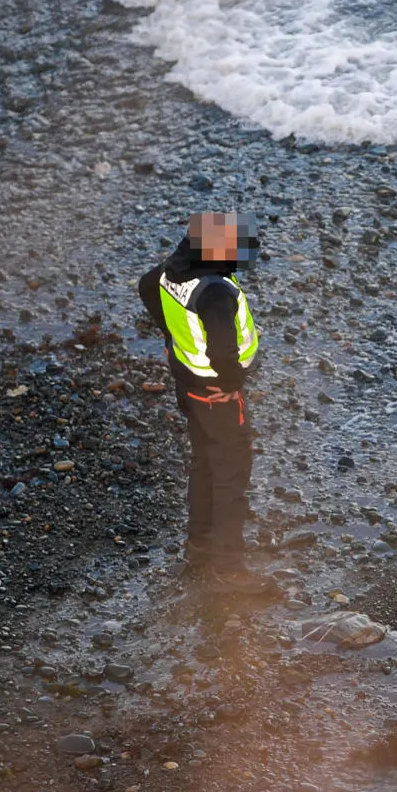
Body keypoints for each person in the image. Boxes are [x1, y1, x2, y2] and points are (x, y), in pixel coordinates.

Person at [138, 212, 276, 596]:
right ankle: (230, 569)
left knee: (203, 462)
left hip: (189, 384)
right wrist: (231, 386)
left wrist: (171, 337)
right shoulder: (215, 292)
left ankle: (198, 548)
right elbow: (223, 352)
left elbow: (146, 286)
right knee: (231, 474)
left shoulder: (174, 270)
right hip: (217, 393)